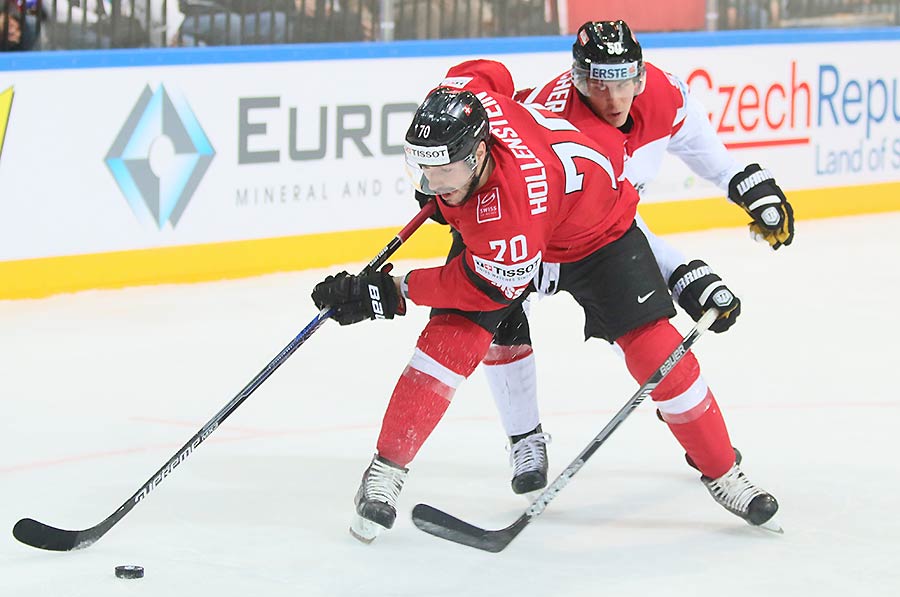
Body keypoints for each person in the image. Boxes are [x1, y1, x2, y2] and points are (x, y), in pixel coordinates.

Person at [311, 58, 780, 543]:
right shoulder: (469, 108)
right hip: (536, 218)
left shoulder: (513, 208)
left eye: (443, 172)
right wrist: (444, 183)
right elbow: (487, 71)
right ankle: (386, 471)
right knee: (447, 348)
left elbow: (479, 284)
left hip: (600, 236)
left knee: (661, 357)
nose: (431, 184)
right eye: (423, 170)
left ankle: (725, 473)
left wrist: (390, 292)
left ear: (476, 158)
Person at [427, 20, 793, 499]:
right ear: (578, 79)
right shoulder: (564, 128)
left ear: (640, 74)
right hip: (530, 230)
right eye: (600, 82)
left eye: (624, 80)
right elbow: (600, 220)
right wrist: (681, 273)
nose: (615, 97)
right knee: (502, 322)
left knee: (655, 349)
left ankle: (713, 458)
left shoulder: (664, 95)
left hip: (595, 236)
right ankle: (524, 438)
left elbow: (691, 173)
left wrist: (751, 188)